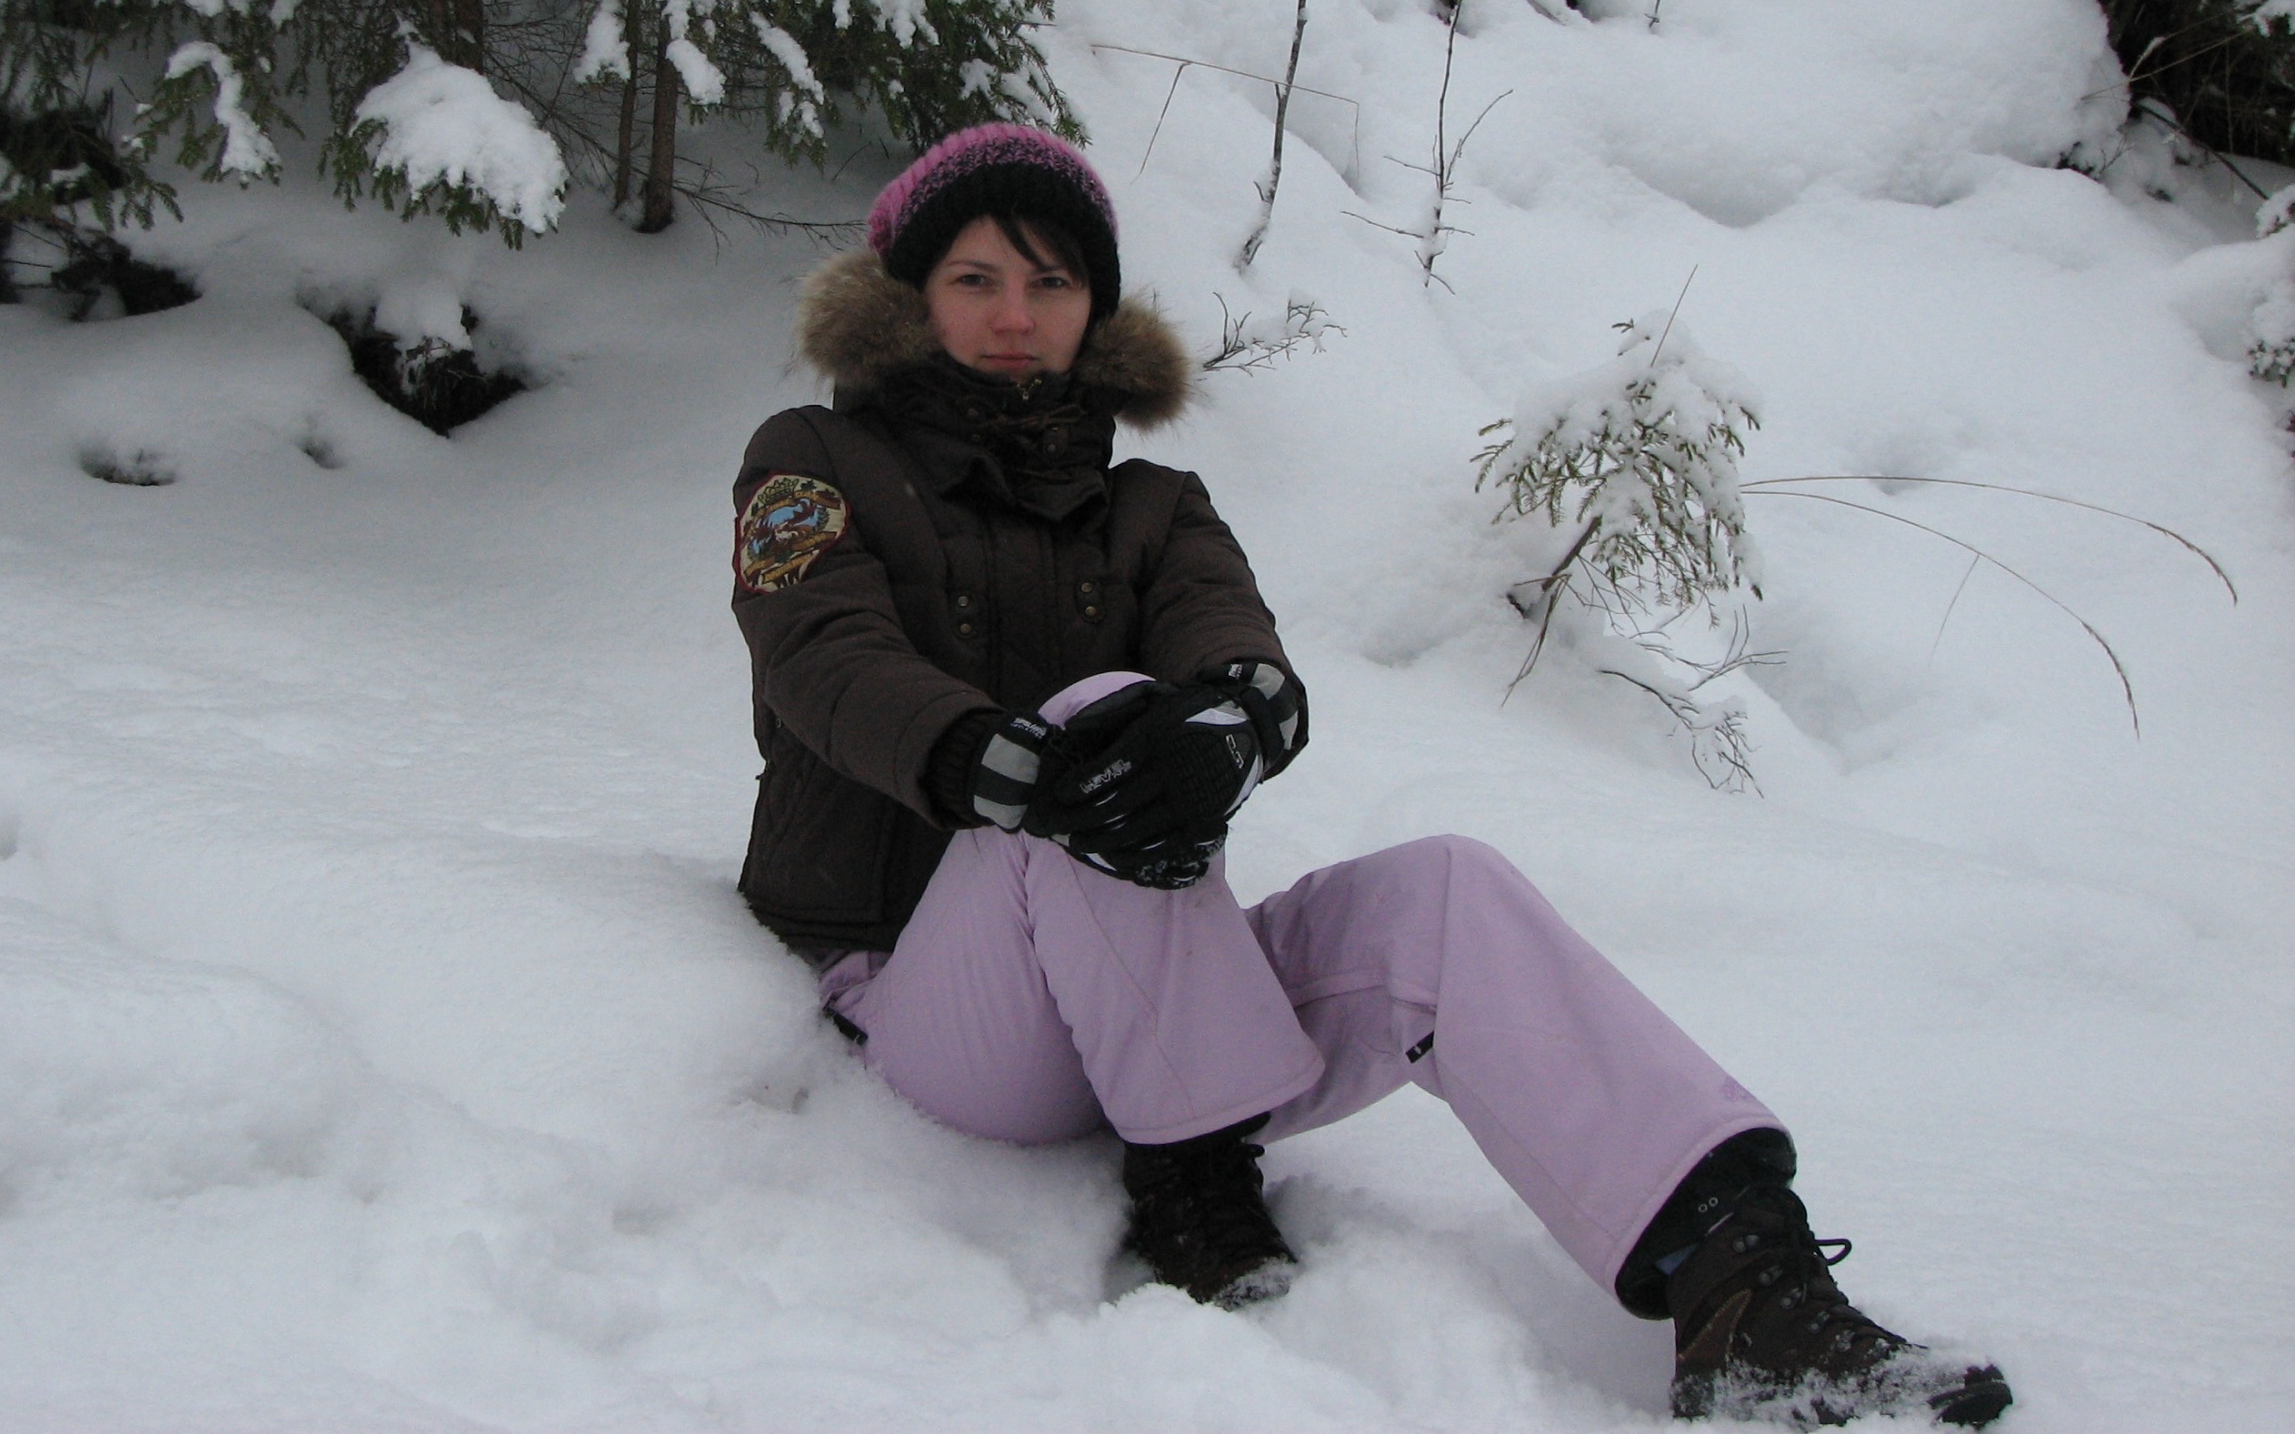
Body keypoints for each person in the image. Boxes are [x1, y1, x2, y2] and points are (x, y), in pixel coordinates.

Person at [729, 124, 2011, 1427]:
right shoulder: (811, 459)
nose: (1017, 315)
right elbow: (820, 654)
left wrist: (1230, 727)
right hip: (923, 1010)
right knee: (1100, 730)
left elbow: (1241, 656)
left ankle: (1747, 1285)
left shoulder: (1155, 507)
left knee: (1444, 894)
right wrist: (1015, 768)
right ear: (911, 297)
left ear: (1092, 311)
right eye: (977, 279)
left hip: (1139, 1019)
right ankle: (1196, 1188)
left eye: (1051, 282)